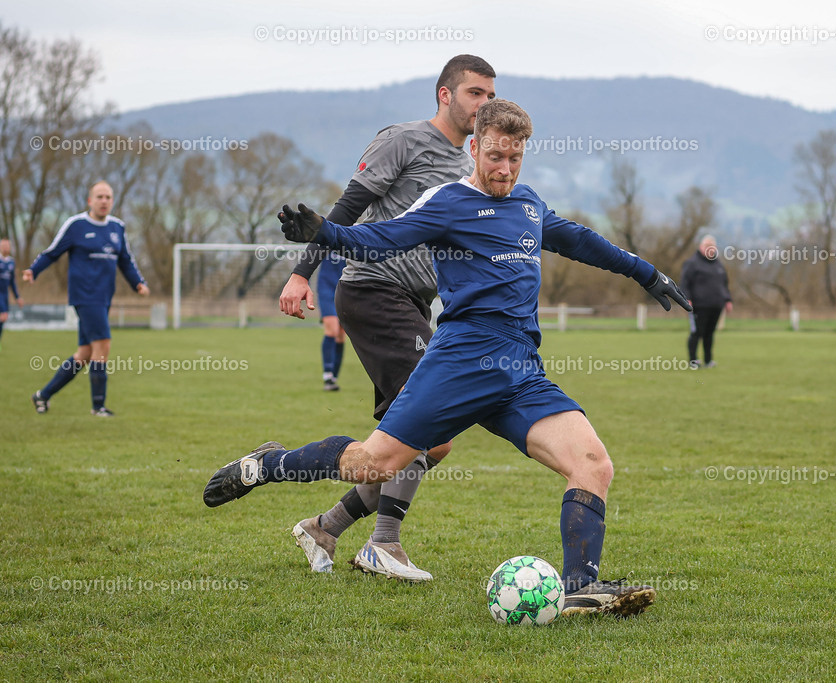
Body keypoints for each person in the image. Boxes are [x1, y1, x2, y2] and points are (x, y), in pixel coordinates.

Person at [204, 98, 691, 618]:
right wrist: (326, 234)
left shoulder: (528, 205)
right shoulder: (449, 201)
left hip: (521, 371)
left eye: (516, 158)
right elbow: (381, 239)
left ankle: (580, 590)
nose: (505, 168)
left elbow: (580, 240)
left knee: (594, 464)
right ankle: (268, 464)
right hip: (461, 361)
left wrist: (647, 273)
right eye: (496, 156)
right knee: (372, 464)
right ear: (475, 147)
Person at [277, 55, 496, 579]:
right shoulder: (402, 140)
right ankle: (384, 544)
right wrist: (302, 273)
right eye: (475, 94)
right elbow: (344, 211)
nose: (484, 105)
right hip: (375, 290)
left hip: (415, 305)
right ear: (445, 95)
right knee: (431, 428)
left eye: (491, 96)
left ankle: (324, 525)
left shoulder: (471, 164)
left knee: (420, 444)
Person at [24, 181, 149, 416]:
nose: (104, 201)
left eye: (108, 197)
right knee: (103, 346)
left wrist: (138, 283)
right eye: (99, 196)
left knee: (84, 354)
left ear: (112, 201)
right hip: (85, 296)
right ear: (89, 200)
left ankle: (42, 395)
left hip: (104, 298)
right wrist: (34, 270)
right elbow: (53, 252)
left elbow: (126, 260)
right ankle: (98, 407)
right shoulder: (76, 225)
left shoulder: (117, 227)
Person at [680, 235, 731, 368]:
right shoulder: (692, 263)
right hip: (698, 306)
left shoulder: (718, 264)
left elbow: (724, 284)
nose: (710, 249)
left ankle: (708, 360)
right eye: (707, 246)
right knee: (697, 332)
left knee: (710, 333)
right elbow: (684, 283)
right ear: (701, 247)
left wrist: (727, 299)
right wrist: (686, 299)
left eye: (712, 246)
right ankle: (693, 361)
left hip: (716, 305)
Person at [316, 251, 346, 391]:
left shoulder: (353, 236)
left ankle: (333, 378)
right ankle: (327, 375)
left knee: (341, 334)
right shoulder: (329, 234)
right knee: (332, 329)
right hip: (326, 287)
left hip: (345, 287)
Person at [0, 238, 24, 348]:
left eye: (7, 246)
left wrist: (17, 297)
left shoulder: (11, 262)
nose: (5, 248)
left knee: (4, 317)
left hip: (5, 295)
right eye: (3, 246)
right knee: (3, 316)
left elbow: (12, 282)